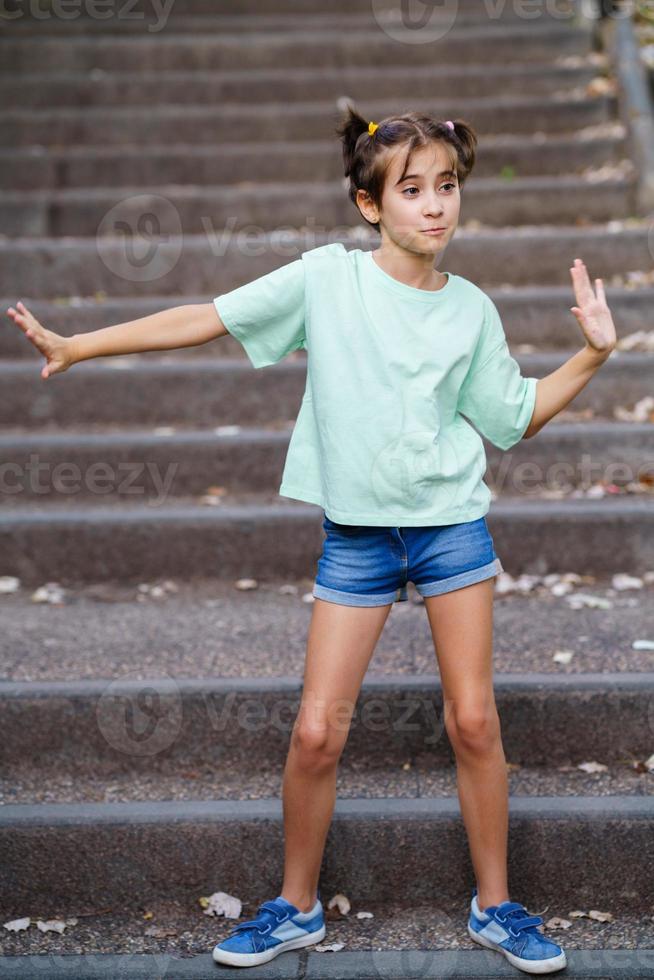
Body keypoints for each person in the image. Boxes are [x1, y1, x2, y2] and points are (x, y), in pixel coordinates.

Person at [6, 107, 616, 975]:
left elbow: (513, 419)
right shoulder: (327, 281)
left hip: (450, 531)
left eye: (447, 187)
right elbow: (205, 316)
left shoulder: (472, 309)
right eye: (412, 191)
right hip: (358, 541)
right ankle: (293, 907)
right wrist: (80, 345)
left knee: (475, 720)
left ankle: (498, 905)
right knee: (316, 733)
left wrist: (590, 357)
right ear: (371, 206)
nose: (435, 206)